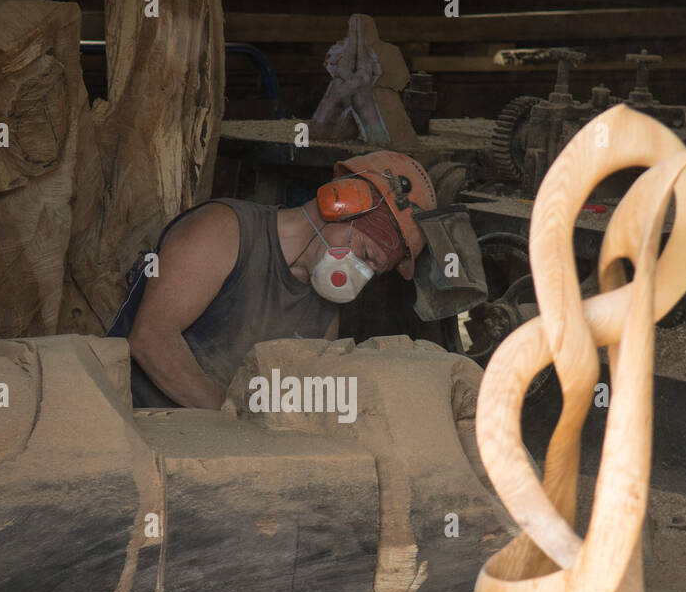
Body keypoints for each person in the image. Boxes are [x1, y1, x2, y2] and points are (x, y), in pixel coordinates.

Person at [106, 151, 437, 408]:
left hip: (217, 454)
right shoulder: (224, 231)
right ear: (340, 204)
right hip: (131, 427)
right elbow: (150, 338)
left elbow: (294, 397)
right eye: (365, 255)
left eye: (372, 272)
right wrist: (232, 421)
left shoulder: (324, 316)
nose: (359, 276)